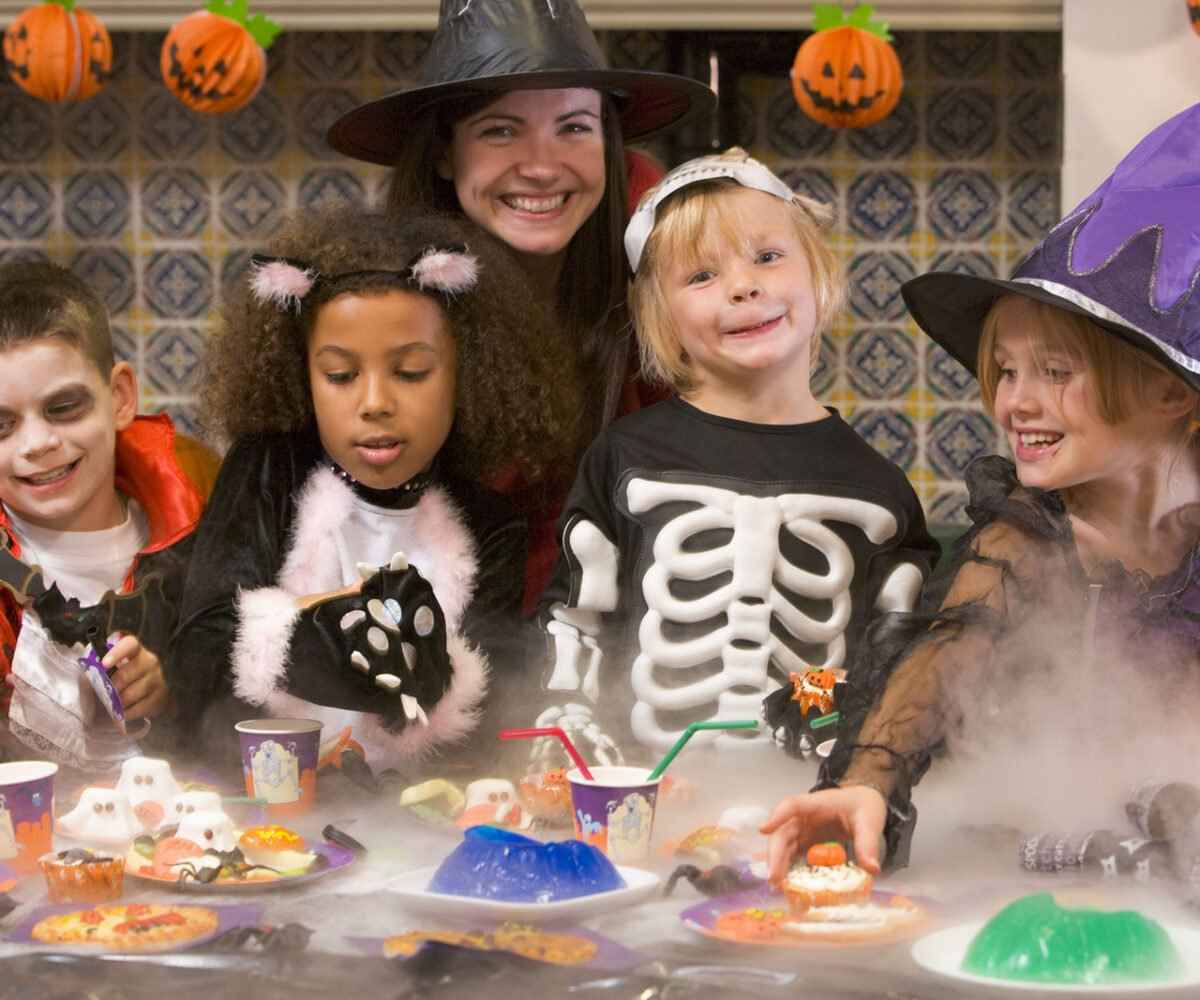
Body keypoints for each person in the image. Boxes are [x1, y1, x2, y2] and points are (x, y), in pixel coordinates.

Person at [761, 102, 1200, 881]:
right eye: (1005, 370)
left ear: (1170, 395)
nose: (1014, 404)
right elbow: (942, 651)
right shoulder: (1026, 536)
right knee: (818, 700)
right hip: (979, 805)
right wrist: (867, 787)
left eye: (1056, 373)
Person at [529, 149, 939, 769]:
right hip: (636, 795)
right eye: (700, 277)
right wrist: (567, 714)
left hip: (811, 802)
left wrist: (849, 711)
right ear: (660, 317)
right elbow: (575, 618)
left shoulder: (875, 485)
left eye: (768, 257)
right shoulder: (627, 456)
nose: (744, 286)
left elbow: (904, 660)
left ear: (820, 274)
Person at [327, 0, 716, 611]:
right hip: (441, 637)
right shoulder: (385, 297)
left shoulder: (661, 261)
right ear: (444, 151)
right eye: (500, 130)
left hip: (635, 633)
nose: (540, 166)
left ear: (609, 145)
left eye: (574, 127)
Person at [169, 207, 575, 775]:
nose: (375, 401)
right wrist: (308, 636)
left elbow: (490, 708)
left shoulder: (489, 523)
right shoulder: (267, 471)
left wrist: (435, 671)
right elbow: (200, 657)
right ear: (302, 377)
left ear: (467, 374)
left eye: (410, 372)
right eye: (340, 376)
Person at [0, 261, 206, 770]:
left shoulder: (199, 537)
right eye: (2, 425)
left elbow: (235, 717)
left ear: (119, 397)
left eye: (64, 407)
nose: (38, 444)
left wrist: (170, 689)